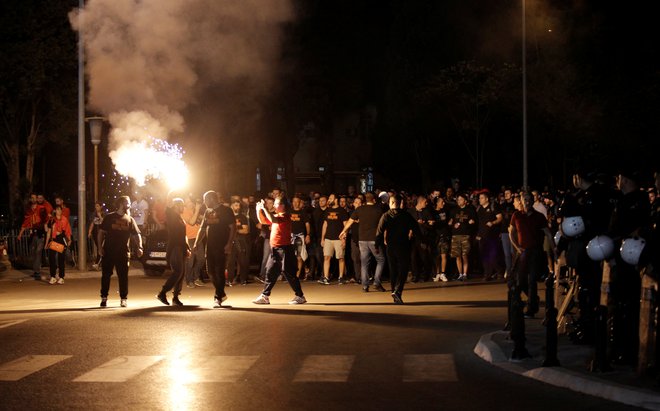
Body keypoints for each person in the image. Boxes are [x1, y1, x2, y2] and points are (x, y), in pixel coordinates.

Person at [252, 195, 307, 305]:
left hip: (284, 249)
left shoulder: (285, 216)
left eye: (276, 204)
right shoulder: (277, 215)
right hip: (275, 249)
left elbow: (272, 219)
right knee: (270, 272)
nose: (274, 206)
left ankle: (300, 296)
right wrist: (259, 210)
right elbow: (263, 221)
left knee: (289, 273)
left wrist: (264, 209)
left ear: (282, 206)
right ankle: (265, 296)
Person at [509, 192, 554, 318]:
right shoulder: (517, 215)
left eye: (529, 200)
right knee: (520, 281)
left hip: (535, 252)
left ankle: (531, 309)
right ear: (521, 201)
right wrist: (517, 247)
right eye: (525, 200)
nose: (527, 202)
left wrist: (554, 252)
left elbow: (548, 234)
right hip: (523, 252)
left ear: (533, 200)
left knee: (532, 280)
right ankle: (533, 299)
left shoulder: (539, 216)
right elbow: (511, 232)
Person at [194, 191, 236, 308]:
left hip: (221, 246)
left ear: (212, 199)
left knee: (219, 270)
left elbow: (233, 228)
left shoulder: (226, 210)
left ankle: (217, 297)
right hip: (210, 246)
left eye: (205, 200)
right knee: (210, 271)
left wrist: (229, 244)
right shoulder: (208, 212)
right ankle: (221, 293)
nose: (204, 203)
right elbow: (202, 229)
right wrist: (196, 243)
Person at [98, 196, 142, 308]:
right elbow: (101, 233)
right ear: (122, 203)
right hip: (109, 251)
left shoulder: (130, 219)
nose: (129, 204)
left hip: (123, 253)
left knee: (123, 276)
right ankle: (104, 297)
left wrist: (139, 247)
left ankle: (123, 298)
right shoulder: (109, 217)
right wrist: (100, 247)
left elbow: (137, 235)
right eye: (128, 202)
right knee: (106, 275)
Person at [376, 193, 420, 304]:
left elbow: (379, 232)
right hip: (403, 246)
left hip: (391, 247)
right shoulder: (406, 215)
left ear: (390, 203)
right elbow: (416, 228)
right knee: (403, 269)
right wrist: (422, 240)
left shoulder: (385, 216)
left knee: (393, 270)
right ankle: (397, 291)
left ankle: (395, 294)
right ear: (400, 203)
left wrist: (377, 245)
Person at [340, 192, 386, 292]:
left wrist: (343, 231)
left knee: (364, 263)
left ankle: (365, 286)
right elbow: (383, 225)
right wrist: (385, 238)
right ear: (374, 200)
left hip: (362, 240)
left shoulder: (359, 209)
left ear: (365, 200)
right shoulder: (378, 210)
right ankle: (377, 283)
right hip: (374, 239)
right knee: (381, 260)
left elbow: (350, 221)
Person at [157, 198, 191, 306]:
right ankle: (162, 293)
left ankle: (175, 297)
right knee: (178, 271)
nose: (183, 207)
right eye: (182, 205)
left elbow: (183, 235)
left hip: (181, 247)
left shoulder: (179, 218)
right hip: (175, 247)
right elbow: (167, 206)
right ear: (176, 205)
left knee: (181, 274)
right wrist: (171, 192)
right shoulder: (171, 215)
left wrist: (187, 248)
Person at [17, 193, 49, 280]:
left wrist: (45, 226)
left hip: (40, 234)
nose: (33, 199)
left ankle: (37, 271)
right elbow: (25, 223)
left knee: (38, 252)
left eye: (35, 198)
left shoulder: (41, 208)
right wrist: (20, 234)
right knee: (34, 253)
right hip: (33, 234)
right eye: (32, 198)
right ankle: (36, 270)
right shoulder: (29, 211)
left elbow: (47, 217)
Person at [320, 194, 349, 284]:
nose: (329, 199)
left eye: (330, 198)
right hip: (328, 238)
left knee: (340, 258)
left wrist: (344, 238)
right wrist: (322, 238)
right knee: (326, 257)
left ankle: (341, 277)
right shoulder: (328, 210)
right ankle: (325, 277)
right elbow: (325, 225)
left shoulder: (342, 211)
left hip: (338, 239)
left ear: (335, 200)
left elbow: (346, 225)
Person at [448, 193, 477, 281]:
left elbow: (474, 221)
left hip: (465, 235)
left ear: (465, 201)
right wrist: (452, 224)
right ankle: (460, 274)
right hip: (455, 235)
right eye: (458, 199)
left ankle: (465, 274)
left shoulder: (470, 210)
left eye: (460, 199)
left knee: (465, 255)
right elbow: (450, 222)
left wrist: (472, 222)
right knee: (457, 256)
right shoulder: (453, 210)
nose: (459, 201)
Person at [476, 191, 503, 281]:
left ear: (486, 199)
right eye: (479, 198)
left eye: (482, 198)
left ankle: (499, 272)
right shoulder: (479, 209)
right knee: (484, 256)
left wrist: (493, 222)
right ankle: (487, 274)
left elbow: (500, 217)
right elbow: (478, 223)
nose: (480, 200)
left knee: (493, 255)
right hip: (482, 235)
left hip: (492, 235)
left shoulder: (493, 206)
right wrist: (478, 234)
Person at [45, 206, 72, 284]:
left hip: (61, 239)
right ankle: (53, 276)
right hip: (54, 240)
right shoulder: (52, 220)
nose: (58, 211)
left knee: (61, 259)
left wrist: (69, 239)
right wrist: (46, 243)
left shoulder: (64, 219)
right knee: (52, 259)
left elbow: (68, 230)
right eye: (57, 210)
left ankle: (61, 277)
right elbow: (49, 232)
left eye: (60, 209)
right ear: (55, 211)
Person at [183, 196, 205, 287]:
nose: (190, 204)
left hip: (197, 238)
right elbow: (191, 222)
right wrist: (197, 210)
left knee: (201, 259)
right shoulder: (184, 211)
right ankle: (189, 280)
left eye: (191, 202)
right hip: (189, 238)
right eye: (188, 202)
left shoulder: (195, 211)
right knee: (191, 260)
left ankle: (196, 277)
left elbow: (203, 219)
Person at [227, 198, 250, 285]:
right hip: (230, 241)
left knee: (242, 261)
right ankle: (229, 280)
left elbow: (246, 230)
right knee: (230, 262)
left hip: (240, 241)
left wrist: (234, 230)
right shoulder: (228, 217)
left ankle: (243, 279)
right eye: (235, 205)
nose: (237, 207)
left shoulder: (242, 217)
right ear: (231, 206)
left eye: (238, 205)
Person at [290, 195, 311, 279]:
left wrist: (308, 235)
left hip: (299, 237)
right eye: (294, 201)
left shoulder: (303, 213)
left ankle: (297, 276)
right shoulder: (289, 212)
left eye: (297, 202)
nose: (295, 203)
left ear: (300, 203)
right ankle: (293, 274)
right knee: (292, 257)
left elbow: (307, 225)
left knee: (299, 256)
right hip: (291, 237)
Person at [88, 202, 105, 270]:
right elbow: (92, 223)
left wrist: (100, 216)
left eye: (97, 206)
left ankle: (97, 263)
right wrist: (89, 232)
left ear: (101, 207)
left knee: (100, 247)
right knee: (99, 247)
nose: (96, 208)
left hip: (102, 233)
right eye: (95, 206)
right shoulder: (94, 214)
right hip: (95, 232)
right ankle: (99, 263)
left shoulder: (104, 214)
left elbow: (105, 222)